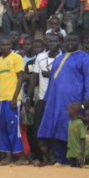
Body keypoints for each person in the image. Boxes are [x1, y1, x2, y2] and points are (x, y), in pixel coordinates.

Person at [36, 34, 89, 165]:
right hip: (54, 101)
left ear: (79, 42)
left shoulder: (84, 57)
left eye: (73, 40)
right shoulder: (59, 58)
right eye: (68, 40)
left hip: (72, 102)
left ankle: (74, 158)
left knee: (70, 130)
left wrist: (88, 98)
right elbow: (52, 80)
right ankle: (61, 158)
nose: (70, 42)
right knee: (54, 128)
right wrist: (47, 99)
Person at [25, 32, 62, 165]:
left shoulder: (63, 57)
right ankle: (41, 156)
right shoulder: (40, 57)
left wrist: (51, 74)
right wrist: (29, 96)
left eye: (54, 41)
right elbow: (35, 77)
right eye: (50, 41)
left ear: (59, 42)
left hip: (58, 99)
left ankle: (56, 156)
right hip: (42, 98)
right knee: (37, 128)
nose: (52, 44)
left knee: (55, 128)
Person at [0, 37, 25, 165]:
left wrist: (15, 97)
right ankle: (8, 156)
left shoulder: (17, 58)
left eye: (7, 44)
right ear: (0, 46)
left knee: (14, 128)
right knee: (4, 128)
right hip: (2, 100)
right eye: (3, 44)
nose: (5, 47)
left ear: (11, 45)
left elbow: (21, 78)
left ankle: (21, 156)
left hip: (13, 99)